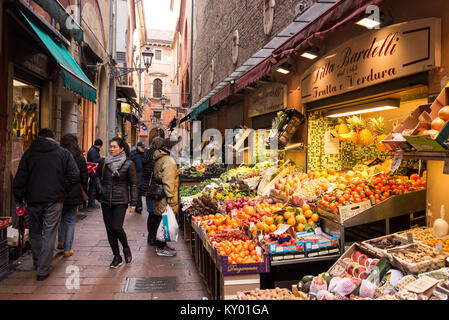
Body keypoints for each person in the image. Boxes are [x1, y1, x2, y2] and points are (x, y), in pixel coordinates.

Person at [13, 128, 79, 281]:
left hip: (33, 199)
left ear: (39, 137)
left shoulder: (29, 153)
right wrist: (64, 189)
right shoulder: (63, 153)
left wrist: (19, 199)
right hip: (55, 199)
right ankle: (42, 269)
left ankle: (38, 260)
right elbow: (74, 175)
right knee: (50, 232)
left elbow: (20, 178)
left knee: (35, 231)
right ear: (53, 138)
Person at [96, 137, 137, 268]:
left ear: (121, 149)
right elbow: (96, 177)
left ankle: (125, 247)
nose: (111, 149)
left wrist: (133, 202)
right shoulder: (104, 162)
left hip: (121, 200)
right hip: (105, 199)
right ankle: (116, 256)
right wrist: (100, 189)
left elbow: (133, 184)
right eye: (110, 146)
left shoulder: (128, 164)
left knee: (116, 227)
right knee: (109, 230)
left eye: (114, 147)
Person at [57, 134, 89, 257]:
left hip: (60, 191)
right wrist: (84, 190)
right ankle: (67, 248)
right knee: (70, 220)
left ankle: (60, 241)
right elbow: (84, 176)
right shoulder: (79, 158)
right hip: (74, 191)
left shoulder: (58, 156)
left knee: (61, 218)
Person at [151, 136, 179, 257]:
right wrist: (170, 198)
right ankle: (161, 247)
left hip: (160, 195)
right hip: (164, 196)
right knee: (164, 222)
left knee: (162, 221)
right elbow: (168, 180)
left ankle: (163, 245)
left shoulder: (162, 157)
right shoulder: (169, 161)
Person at [141, 127, 165, 246]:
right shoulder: (158, 157)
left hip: (148, 188)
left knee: (151, 213)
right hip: (156, 189)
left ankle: (151, 237)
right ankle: (154, 236)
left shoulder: (146, 154)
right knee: (156, 214)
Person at [130, 141, 146, 213]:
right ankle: (139, 206)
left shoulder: (145, 154)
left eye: (143, 147)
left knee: (142, 191)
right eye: (142, 147)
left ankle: (138, 206)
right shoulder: (133, 155)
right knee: (138, 191)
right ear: (138, 147)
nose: (143, 149)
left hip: (144, 175)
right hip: (136, 175)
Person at [87, 139, 103, 208]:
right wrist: (101, 159)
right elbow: (94, 161)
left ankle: (92, 202)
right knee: (93, 187)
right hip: (94, 172)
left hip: (94, 172)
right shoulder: (93, 151)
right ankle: (91, 202)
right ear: (99, 145)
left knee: (93, 187)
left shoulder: (93, 150)